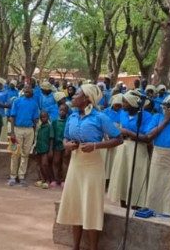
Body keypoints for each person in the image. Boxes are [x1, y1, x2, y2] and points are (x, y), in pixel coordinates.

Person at [56, 84, 123, 250]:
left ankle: (93, 248)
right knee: (75, 205)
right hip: (76, 165)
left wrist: (95, 145)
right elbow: (64, 138)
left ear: (87, 98)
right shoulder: (71, 117)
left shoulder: (99, 117)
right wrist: (67, 145)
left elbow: (118, 138)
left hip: (93, 165)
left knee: (91, 207)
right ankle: (76, 247)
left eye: (77, 94)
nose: (73, 96)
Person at [107, 90, 153, 208]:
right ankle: (123, 206)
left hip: (138, 149)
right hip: (123, 148)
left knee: (136, 177)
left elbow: (147, 138)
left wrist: (127, 132)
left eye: (125, 102)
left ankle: (135, 207)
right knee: (123, 176)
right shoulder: (122, 113)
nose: (123, 104)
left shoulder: (147, 116)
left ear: (133, 103)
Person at [144, 95, 170, 217]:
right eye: (169, 106)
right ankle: (152, 211)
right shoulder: (157, 117)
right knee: (155, 185)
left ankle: (169, 214)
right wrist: (165, 120)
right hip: (158, 154)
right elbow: (149, 136)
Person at [8, 85, 40, 187]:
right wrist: (12, 132)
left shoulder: (34, 104)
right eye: (25, 89)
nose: (27, 90)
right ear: (23, 91)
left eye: (29, 89)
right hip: (17, 129)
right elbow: (12, 117)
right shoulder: (17, 101)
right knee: (15, 153)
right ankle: (13, 176)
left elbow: (35, 120)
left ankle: (21, 176)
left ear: (32, 92)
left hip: (29, 130)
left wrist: (34, 133)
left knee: (25, 153)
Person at [33, 111, 54, 189]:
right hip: (39, 148)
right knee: (40, 165)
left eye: (44, 117)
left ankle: (48, 181)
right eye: (41, 117)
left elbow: (51, 138)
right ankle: (42, 179)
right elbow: (37, 138)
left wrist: (50, 150)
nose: (43, 118)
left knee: (45, 164)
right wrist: (35, 147)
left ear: (48, 117)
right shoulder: (40, 127)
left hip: (46, 149)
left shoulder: (49, 127)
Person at [51, 104, 69, 188]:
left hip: (66, 145)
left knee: (65, 162)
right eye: (61, 110)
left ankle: (63, 180)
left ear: (67, 112)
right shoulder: (54, 122)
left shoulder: (68, 122)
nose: (62, 112)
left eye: (64, 110)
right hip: (56, 145)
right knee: (56, 162)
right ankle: (55, 179)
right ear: (58, 111)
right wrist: (51, 147)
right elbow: (52, 135)